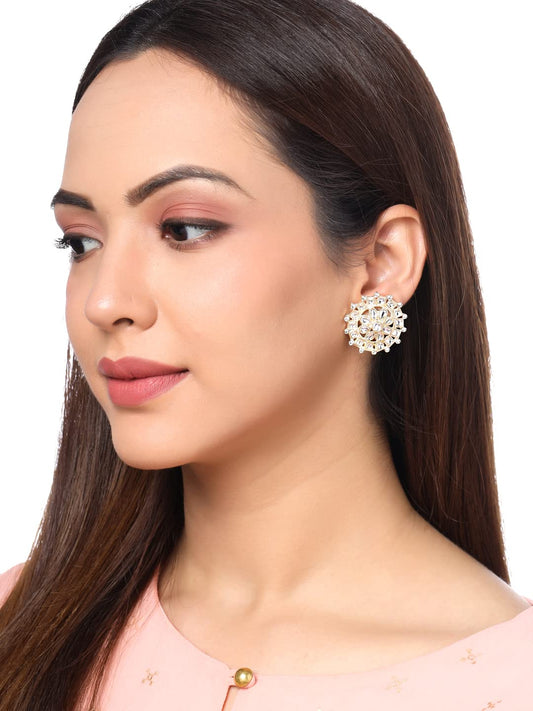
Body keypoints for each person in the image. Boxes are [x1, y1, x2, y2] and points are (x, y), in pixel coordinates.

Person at [0, 0, 531, 709]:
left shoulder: (507, 679)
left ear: (380, 263)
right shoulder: (17, 628)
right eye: (82, 241)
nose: (105, 301)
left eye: (186, 228)